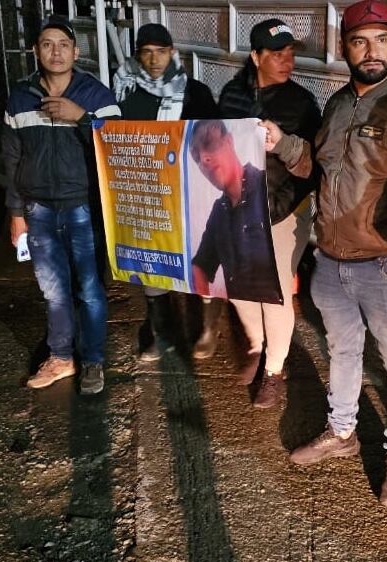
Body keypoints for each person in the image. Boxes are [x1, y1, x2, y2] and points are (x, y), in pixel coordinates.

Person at [287, 0, 387, 508]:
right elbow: (317, 166)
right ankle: (342, 432)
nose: (371, 50)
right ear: (345, 47)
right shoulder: (335, 106)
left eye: (381, 39)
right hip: (332, 260)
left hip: (386, 264)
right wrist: (280, 144)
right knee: (341, 351)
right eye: (360, 40)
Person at [4, 15, 121, 394]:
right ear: (36, 51)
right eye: (48, 44)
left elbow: (118, 145)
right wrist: (16, 213)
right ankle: (61, 357)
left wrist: (81, 118)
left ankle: (92, 361)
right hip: (38, 209)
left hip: (82, 206)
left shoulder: (97, 96)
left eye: (63, 44)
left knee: (88, 289)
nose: (56, 51)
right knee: (52, 289)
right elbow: (13, 158)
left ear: (76, 51)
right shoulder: (21, 98)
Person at [218, 19, 322, 408]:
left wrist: (281, 145)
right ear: (256, 57)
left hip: (284, 209)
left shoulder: (301, 103)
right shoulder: (231, 94)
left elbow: (313, 164)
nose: (287, 61)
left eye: (290, 54)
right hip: (238, 205)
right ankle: (257, 345)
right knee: (238, 283)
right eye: (276, 54)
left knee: (274, 290)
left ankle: (274, 372)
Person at [113, 22, 221, 362]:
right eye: (146, 52)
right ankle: (162, 331)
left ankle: (207, 328)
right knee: (152, 262)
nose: (154, 59)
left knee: (201, 260)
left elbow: (213, 138)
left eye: (161, 51)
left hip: (191, 193)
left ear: (172, 52)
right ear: (138, 56)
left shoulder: (195, 92)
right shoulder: (125, 92)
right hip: (148, 195)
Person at [190, 120, 278, 306]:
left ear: (229, 141)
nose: (204, 158)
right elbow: (200, 265)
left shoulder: (266, 185)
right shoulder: (218, 212)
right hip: (242, 311)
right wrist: (207, 306)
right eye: (196, 157)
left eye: (209, 144)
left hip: (275, 306)